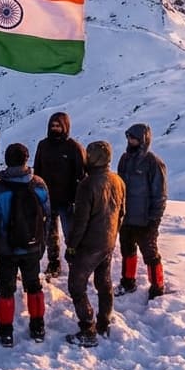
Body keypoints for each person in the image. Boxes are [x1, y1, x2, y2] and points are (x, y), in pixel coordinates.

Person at [0, 142, 51, 346]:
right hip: (32, 245)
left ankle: (5, 331)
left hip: (7, 247)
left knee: (6, 289)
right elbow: (47, 214)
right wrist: (42, 242)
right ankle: (38, 327)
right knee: (34, 285)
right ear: (25, 159)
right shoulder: (38, 184)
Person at [64, 140, 126, 347]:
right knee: (104, 282)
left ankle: (87, 328)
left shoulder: (87, 185)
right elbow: (122, 213)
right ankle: (104, 321)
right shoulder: (118, 181)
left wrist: (72, 245)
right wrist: (113, 234)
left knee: (76, 285)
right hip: (108, 241)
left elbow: (80, 220)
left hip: (89, 244)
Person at [115, 123, 168, 300]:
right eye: (129, 138)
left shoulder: (153, 163)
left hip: (145, 219)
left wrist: (154, 219)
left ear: (143, 140)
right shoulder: (124, 159)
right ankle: (128, 281)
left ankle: (157, 286)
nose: (131, 141)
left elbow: (160, 194)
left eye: (134, 138)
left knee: (150, 255)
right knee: (127, 251)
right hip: (126, 217)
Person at [33, 111, 86, 279]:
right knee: (50, 233)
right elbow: (37, 169)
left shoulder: (73, 147)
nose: (55, 129)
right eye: (52, 126)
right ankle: (53, 261)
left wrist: (77, 198)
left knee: (70, 233)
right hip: (47, 198)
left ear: (65, 127)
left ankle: (74, 262)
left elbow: (81, 174)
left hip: (67, 199)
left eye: (58, 126)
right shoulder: (43, 145)